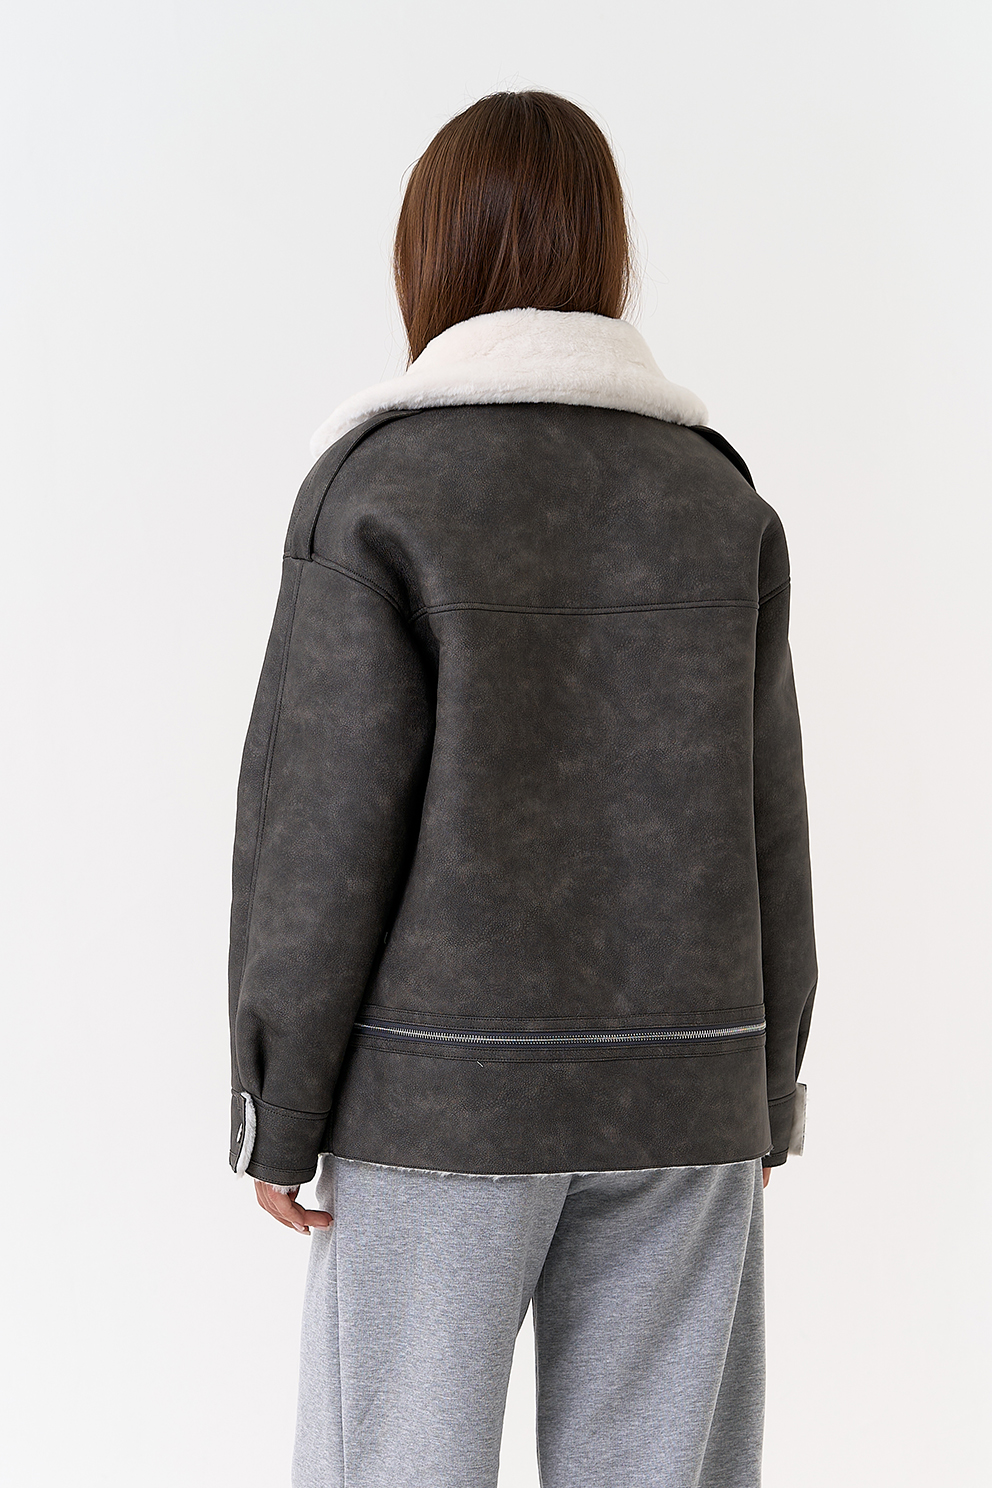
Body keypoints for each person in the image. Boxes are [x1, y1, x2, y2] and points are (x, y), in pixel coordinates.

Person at [227, 89, 817, 1488]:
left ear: (426, 257)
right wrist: (764, 1086)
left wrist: (277, 1106)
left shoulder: (379, 492)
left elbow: (319, 832)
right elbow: (772, 821)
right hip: (685, 1099)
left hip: (438, 1105)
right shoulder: (717, 499)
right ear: (607, 253)